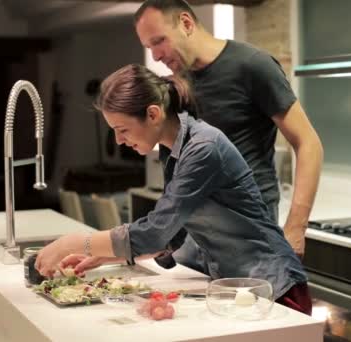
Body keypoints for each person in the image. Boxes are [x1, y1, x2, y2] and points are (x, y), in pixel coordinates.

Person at [35, 64, 312, 315]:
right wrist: (106, 254)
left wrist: (72, 242)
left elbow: (156, 231)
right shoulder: (174, 150)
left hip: (275, 289)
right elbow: (172, 233)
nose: (119, 141)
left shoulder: (204, 149)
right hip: (241, 289)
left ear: (153, 114)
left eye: (122, 130)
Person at [134, 0, 324, 259]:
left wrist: (295, 229)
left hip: (248, 228)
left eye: (159, 41)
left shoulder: (252, 65)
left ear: (186, 23)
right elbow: (175, 161)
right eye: (148, 47)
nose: (155, 56)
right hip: (196, 230)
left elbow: (308, 142)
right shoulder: (177, 84)